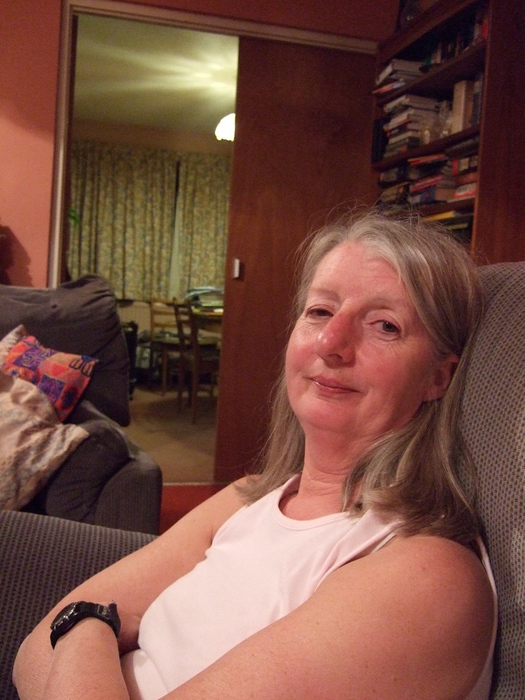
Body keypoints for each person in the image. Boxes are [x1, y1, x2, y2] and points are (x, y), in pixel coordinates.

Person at [13, 209, 497, 700]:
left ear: (438, 377)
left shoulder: (426, 576)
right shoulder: (249, 497)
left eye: (385, 326)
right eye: (320, 311)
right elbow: (31, 653)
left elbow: (60, 631)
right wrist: (89, 631)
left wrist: (85, 626)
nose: (330, 343)